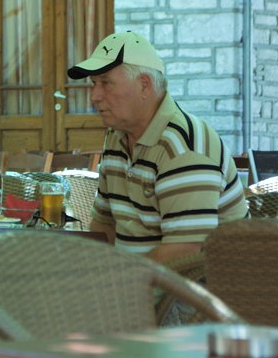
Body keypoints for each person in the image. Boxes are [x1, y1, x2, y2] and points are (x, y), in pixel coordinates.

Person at [67, 30, 248, 263]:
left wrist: (119, 279)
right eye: (94, 83)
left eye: (106, 83)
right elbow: (104, 225)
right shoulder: (116, 137)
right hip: (138, 278)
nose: (94, 96)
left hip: (202, 284)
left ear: (144, 85)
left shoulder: (183, 147)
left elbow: (185, 253)